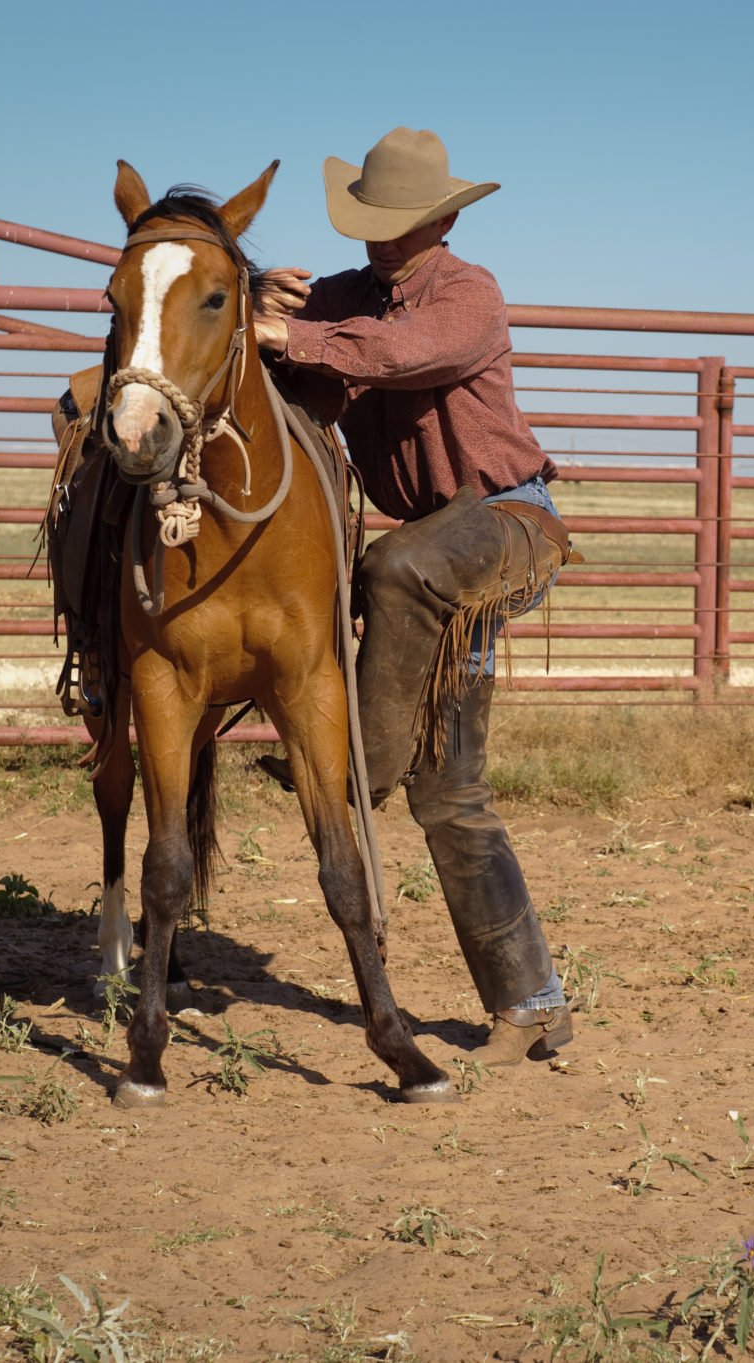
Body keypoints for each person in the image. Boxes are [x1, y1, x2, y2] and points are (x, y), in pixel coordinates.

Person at [253, 127, 575, 1067]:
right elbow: (299, 343)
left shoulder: (469, 295)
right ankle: (533, 1004)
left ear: (441, 218)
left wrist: (293, 331)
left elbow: (394, 355)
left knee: (392, 570)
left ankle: (355, 766)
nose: (381, 239)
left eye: (400, 223)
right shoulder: (343, 297)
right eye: (371, 223)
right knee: (452, 792)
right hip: (437, 552)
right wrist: (256, 298)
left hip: (508, 523)